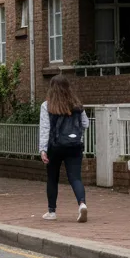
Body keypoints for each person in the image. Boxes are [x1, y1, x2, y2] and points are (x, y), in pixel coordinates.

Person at [40, 74, 90, 222]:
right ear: (68, 88)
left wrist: (43, 149)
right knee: (75, 177)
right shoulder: (77, 106)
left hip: (55, 147)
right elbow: (86, 124)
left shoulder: (47, 105)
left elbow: (45, 128)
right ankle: (82, 204)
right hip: (74, 146)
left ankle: (52, 212)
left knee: (52, 178)